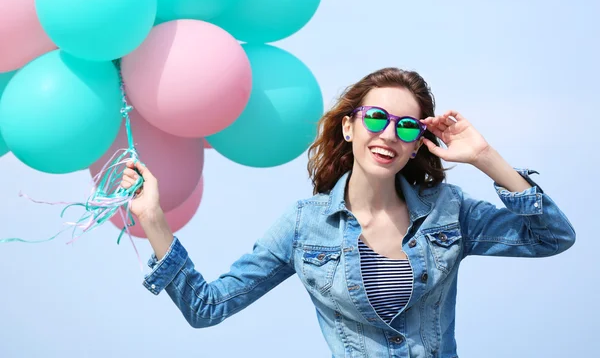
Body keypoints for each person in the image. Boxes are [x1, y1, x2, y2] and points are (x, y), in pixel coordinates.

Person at [121, 68, 576, 358]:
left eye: (407, 126)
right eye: (376, 118)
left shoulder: (448, 211)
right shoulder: (304, 227)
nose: (389, 135)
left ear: (419, 142)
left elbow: (552, 237)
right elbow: (208, 307)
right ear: (349, 125)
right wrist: (155, 220)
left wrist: (484, 156)